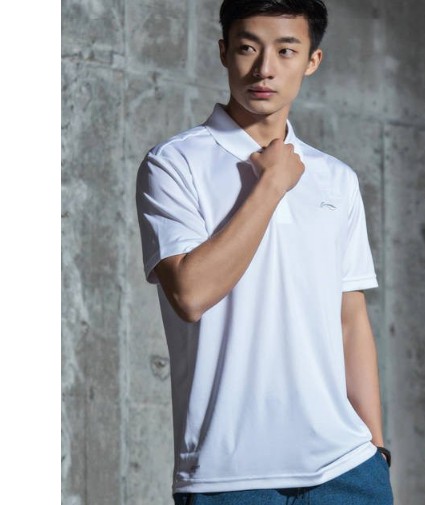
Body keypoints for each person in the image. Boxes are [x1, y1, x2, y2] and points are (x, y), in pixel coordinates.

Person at [136, 0, 394, 503]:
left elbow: (350, 318)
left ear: (312, 60)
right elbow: (190, 294)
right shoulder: (174, 164)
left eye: (285, 50)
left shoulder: (336, 178)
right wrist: (272, 184)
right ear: (223, 52)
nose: (264, 69)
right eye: (248, 48)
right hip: (226, 475)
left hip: (346, 468)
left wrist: (376, 453)